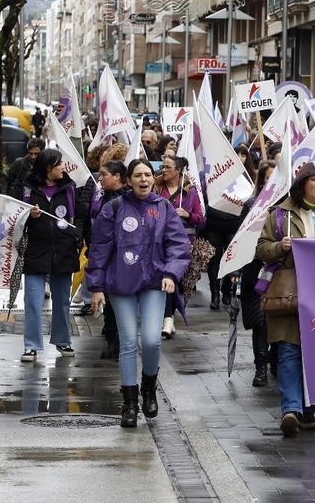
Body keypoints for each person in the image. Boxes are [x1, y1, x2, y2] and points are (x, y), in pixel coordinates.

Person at [88, 159, 191, 428]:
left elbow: (178, 245)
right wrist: (96, 287)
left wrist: (171, 274)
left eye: (148, 174)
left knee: (151, 341)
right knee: (128, 344)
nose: (143, 179)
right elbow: (99, 249)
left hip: (154, 283)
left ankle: (148, 387)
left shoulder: (164, 207)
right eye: (138, 175)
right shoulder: (113, 209)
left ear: (153, 179)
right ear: (128, 180)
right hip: (120, 284)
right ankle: (130, 403)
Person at [256, 161, 315, 437]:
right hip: (291, 293)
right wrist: (279, 246)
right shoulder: (280, 215)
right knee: (288, 352)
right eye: (314, 180)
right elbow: (262, 248)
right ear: (301, 186)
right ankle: (291, 410)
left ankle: (309, 410)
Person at [18, 149, 91, 363]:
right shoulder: (27, 189)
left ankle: (62, 340)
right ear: (48, 168)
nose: (63, 168)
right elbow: (13, 214)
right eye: (59, 164)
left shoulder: (69, 188)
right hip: (36, 251)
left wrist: (76, 233)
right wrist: (27, 216)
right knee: (32, 300)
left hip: (64, 250)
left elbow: (80, 213)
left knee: (61, 301)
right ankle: (31, 346)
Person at [234, 161, 278, 388]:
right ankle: (260, 366)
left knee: (278, 317)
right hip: (256, 270)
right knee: (260, 321)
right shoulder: (252, 205)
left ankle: (276, 361)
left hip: (280, 270)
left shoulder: (288, 208)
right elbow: (241, 238)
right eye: (268, 178)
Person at [155, 155, 209, 339]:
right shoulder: (156, 188)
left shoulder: (190, 192)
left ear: (178, 170)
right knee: (167, 276)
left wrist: (187, 214)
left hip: (183, 243)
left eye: (168, 167)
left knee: (177, 279)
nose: (164, 169)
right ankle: (167, 319)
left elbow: (201, 220)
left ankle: (168, 316)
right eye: (163, 166)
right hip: (160, 242)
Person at [89, 159, 128, 360]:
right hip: (105, 256)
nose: (100, 178)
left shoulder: (128, 201)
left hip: (123, 259)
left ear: (118, 177)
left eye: (104, 174)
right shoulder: (101, 197)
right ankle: (113, 339)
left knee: (120, 302)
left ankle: (120, 341)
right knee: (109, 302)